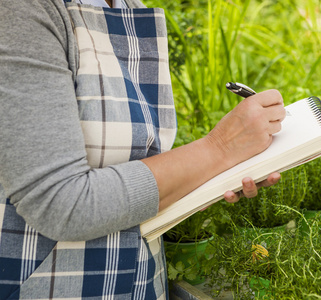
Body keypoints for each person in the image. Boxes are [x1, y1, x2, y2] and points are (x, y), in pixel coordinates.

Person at [0, 0, 285, 299]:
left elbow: (137, 167)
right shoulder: (21, 11)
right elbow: (61, 204)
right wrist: (221, 148)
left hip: (143, 282)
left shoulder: (129, 6)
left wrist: (222, 171)